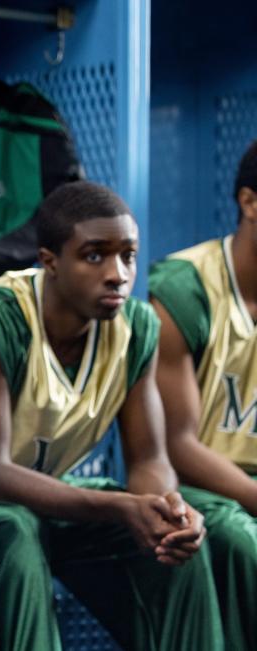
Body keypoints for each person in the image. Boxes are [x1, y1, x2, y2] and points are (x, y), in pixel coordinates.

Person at [0, 180, 222, 650]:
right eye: (95, 255)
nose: (118, 274)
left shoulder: (135, 328)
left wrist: (164, 508)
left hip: (44, 494)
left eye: (128, 256)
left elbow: (149, 460)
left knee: (178, 541)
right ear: (49, 261)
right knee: (15, 528)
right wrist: (122, 506)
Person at [149, 140, 257, 650]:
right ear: (249, 203)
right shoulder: (185, 287)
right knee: (241, 539)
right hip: (203, 486)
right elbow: (178, 444)